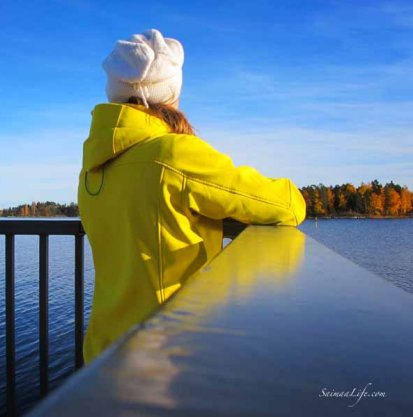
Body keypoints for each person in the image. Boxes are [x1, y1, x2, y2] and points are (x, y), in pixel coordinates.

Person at [78, 29, 306, 364]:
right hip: (167, 353)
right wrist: (298, 193)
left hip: (102, 351)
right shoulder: (173, 154)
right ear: (170, 93)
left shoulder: (92, 168)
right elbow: (284, 205)